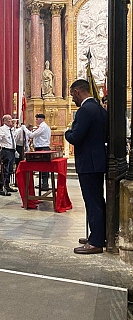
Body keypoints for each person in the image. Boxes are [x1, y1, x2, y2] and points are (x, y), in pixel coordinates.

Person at [65, 79, 107, 254]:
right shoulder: (99, 109)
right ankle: (98, 234)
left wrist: (68, 132)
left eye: (72, 94)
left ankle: (96, 242)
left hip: (88, 163)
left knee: (92, 202)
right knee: (98, 200)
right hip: (97, 161)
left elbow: (76, 137)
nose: (72, 99)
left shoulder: (84, 111)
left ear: (76, 91)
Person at [28, 114, 51, 190]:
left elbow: (31, 135)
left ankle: (44, 184)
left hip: (42, 148)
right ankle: (43, 183)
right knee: (42, 167)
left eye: (37, 119)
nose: (36, 121)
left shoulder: (42, 127)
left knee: (43, 167)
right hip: (43, 147)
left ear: (41, 119)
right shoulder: (46, 126)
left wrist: (24, 128)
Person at [0, 114, 18, 195]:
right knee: (4, 169)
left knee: (10, 170)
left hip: (12, 151)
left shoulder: (11, 129)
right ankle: (2, 187)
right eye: (9, 120)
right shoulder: (2, 129)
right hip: (6, 151)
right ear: (5, 121)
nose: (11, 121)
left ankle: (7, 185)